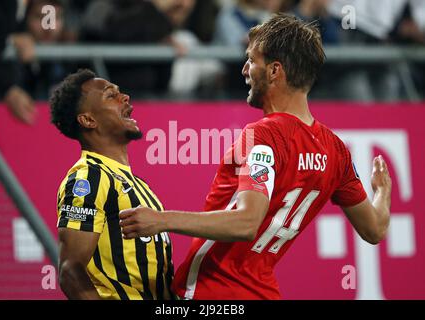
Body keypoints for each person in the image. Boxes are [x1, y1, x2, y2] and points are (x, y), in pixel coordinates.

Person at [119, 14, 392, 300]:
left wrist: (161, 220)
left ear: (275, 71)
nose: (244, 70)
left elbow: (247, 222)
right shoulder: (336, 150)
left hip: (211, 292)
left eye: (252, 61)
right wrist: (382, 191)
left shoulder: (263, 135)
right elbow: (374, 229)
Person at [50, 69, 174, 300]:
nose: (125, 97)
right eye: (110, 95)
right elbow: (70, 269)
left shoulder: (139, 186)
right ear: (88, 119)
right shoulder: (88, 177)